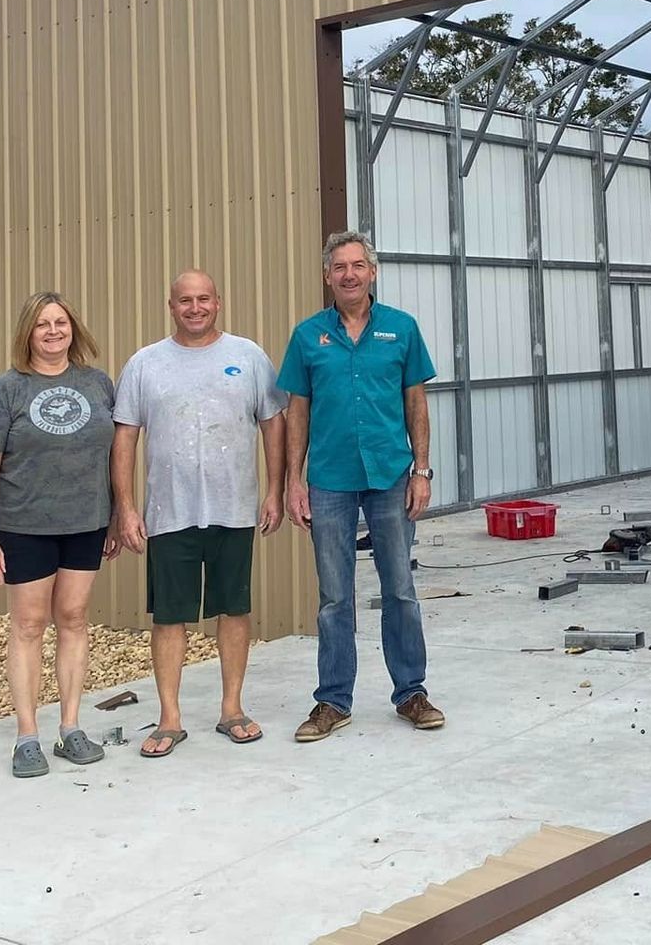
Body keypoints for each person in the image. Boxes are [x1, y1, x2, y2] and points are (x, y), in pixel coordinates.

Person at [109, 270, 285, 756]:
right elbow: (124, 438)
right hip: (169, 511)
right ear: (171, 307)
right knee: (170, 615)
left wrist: (275, 491)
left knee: (234, 607)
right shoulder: (146, 364)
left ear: (218, 303)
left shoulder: (248, 357)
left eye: (203, 299)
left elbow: (273, 425)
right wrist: (125, 508)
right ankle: (169, 718)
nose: (194, 307)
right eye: (184, 300)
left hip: (233, 508)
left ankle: (232, 708)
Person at [281, 230, 445, 743]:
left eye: (358, 265)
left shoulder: (402, 329)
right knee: (334, 597)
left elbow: (416, 404)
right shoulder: (309, 336)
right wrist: (293, 481)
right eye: (339, 267)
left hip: (391, 477)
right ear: (327, 276)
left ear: (372, 272)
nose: (348, 275)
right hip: (329, 479)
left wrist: (421, 471)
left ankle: (411, 693)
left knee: (400, 589)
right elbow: (297, 413)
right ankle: (332, 701)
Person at [0, 291, 115, 778]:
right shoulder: (8, 388)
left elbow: (114, 455)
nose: (53, 332)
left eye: (61, 323)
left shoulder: (97, 384)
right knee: (29, 626)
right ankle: (26, 736)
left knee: (73, 619)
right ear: (27, 333)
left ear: (73, 328)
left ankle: (70, 728)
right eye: (42, 325)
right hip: (24, 526)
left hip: (85, 523)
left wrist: (115, 516)